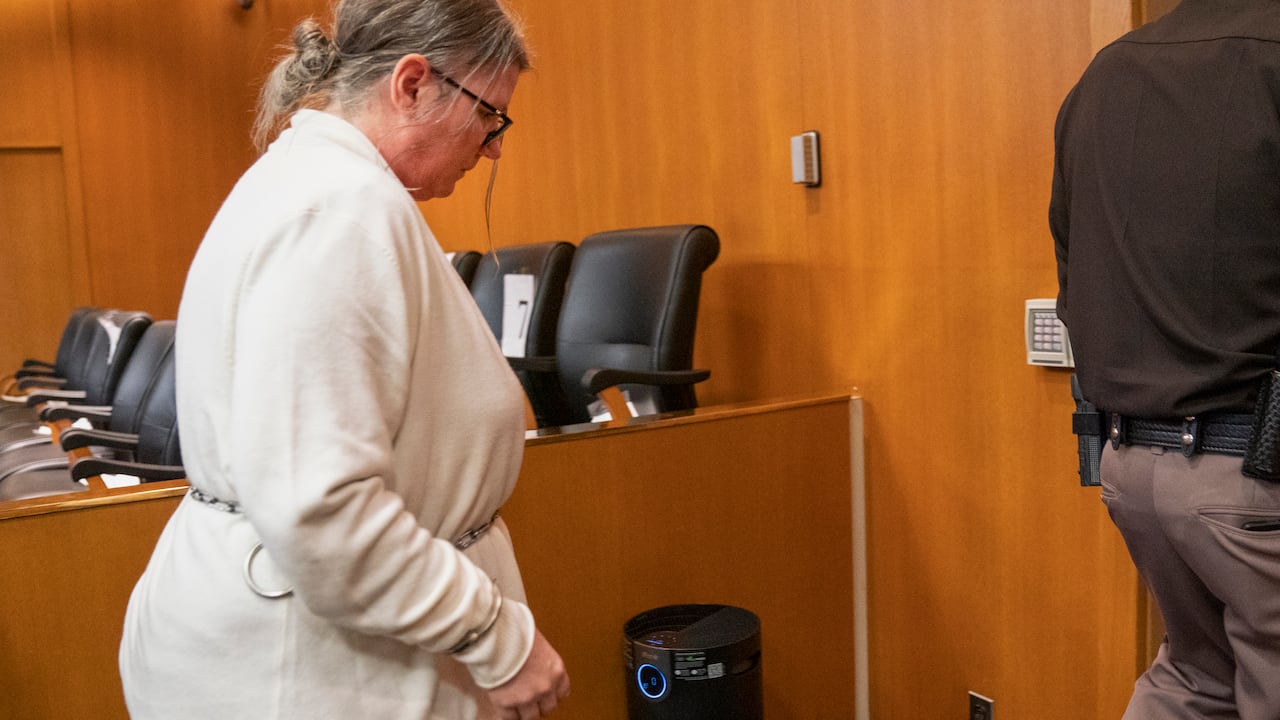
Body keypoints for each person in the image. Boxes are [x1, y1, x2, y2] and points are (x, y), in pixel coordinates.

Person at [119, 1, 570, 718]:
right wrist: (495, 635)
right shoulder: (340, 213)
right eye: (491, 115)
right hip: (311, 666)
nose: (493, 148)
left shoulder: (316, 187)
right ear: (412, 84)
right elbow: (319, 507)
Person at [1051, 1, 1280, 717]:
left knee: (1194, 679)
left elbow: (1071, 258)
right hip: (1254, 478)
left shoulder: (1105, 74)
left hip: (1133, 468)